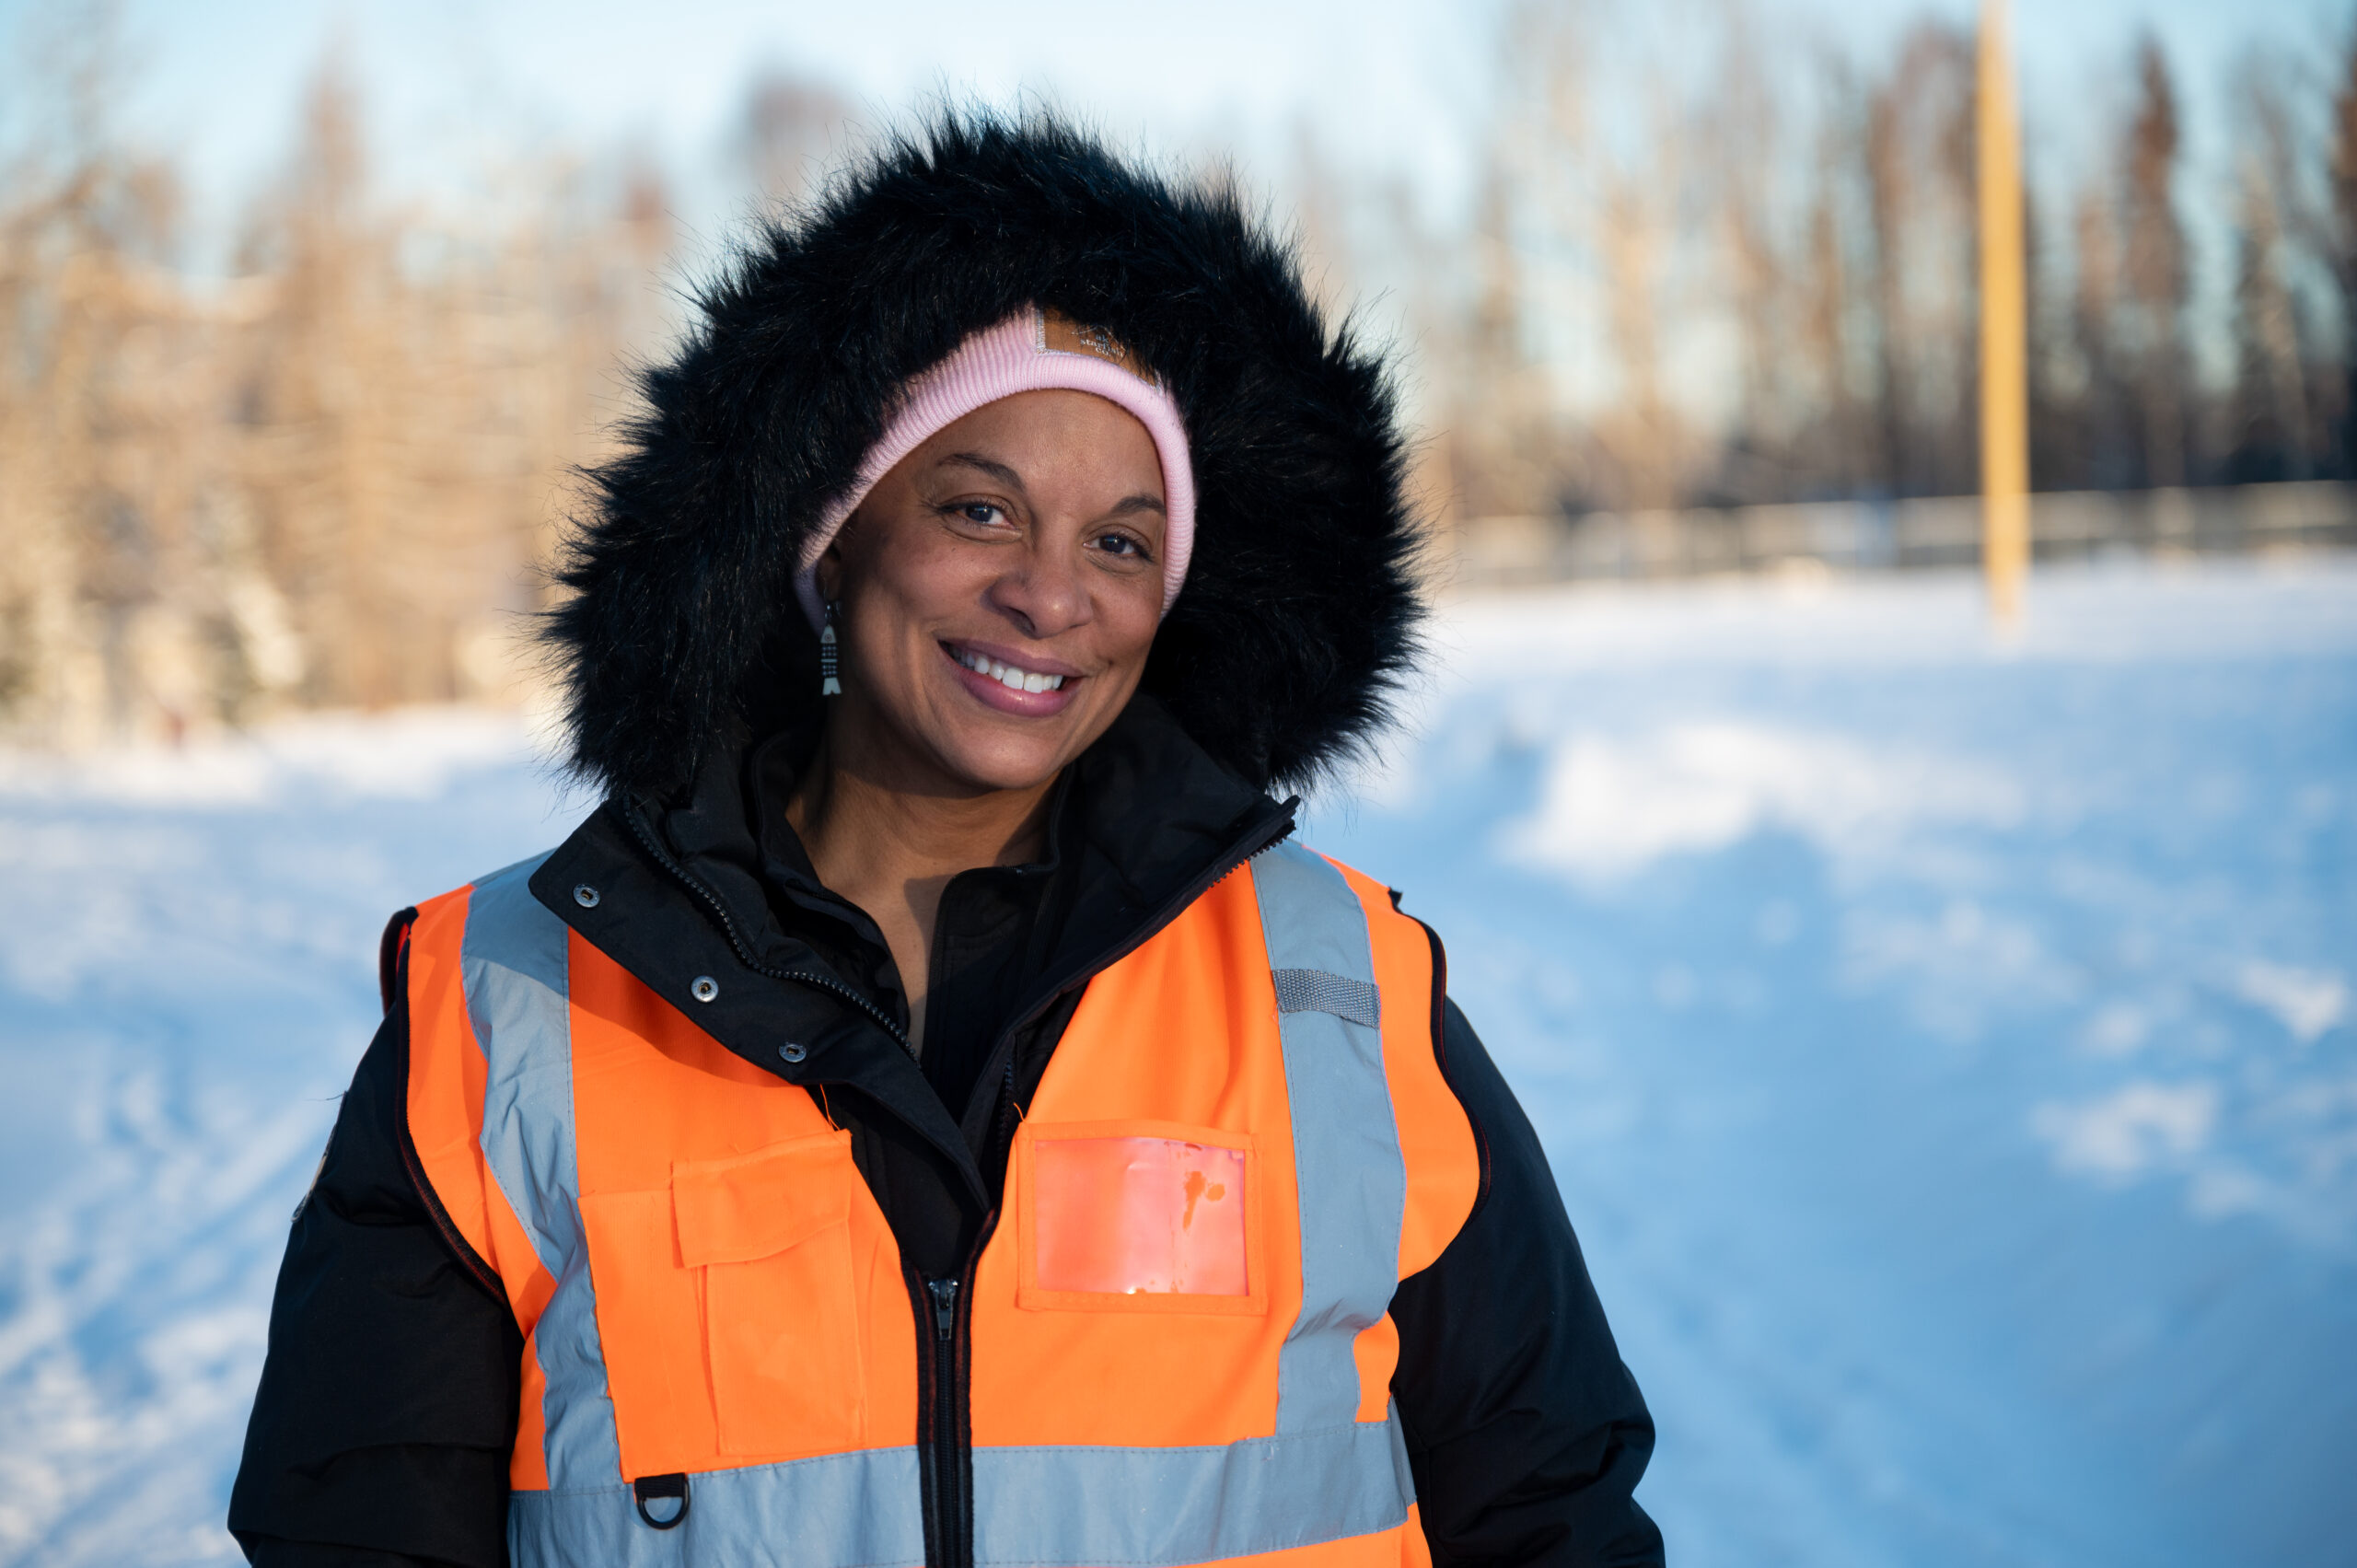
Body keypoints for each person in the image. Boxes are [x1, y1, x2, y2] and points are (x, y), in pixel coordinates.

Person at [228, 113, 1662, 1568]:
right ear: (831, 540)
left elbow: (1550, 1507)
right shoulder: (507, 1006)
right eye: (980, 509)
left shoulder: (1345, 989)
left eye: (1120, 541)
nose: (1052, 597)